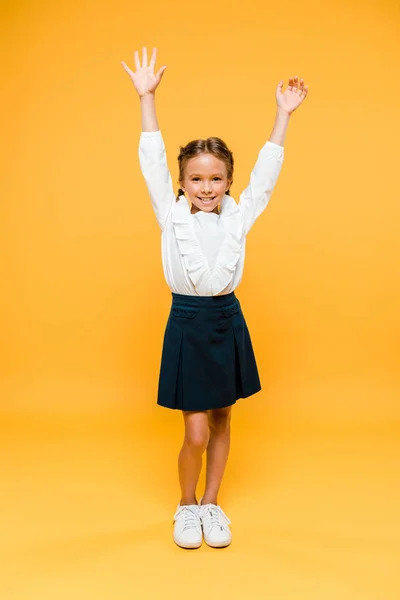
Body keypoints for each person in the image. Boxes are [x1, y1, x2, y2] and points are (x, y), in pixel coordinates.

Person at [121, 47, 308, 550]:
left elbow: (266, 180)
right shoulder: (171, 212)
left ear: (228, 181)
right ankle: (186, 506)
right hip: (187, 322)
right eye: (196, 179)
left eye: (217, 179)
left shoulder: (238, 215)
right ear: (182, 184)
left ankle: (212, 503)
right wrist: (147, 99)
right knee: (196, 433)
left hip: (227, 320)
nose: (207, 188)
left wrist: (282, 116)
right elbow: (151, 159)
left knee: (224, 419)